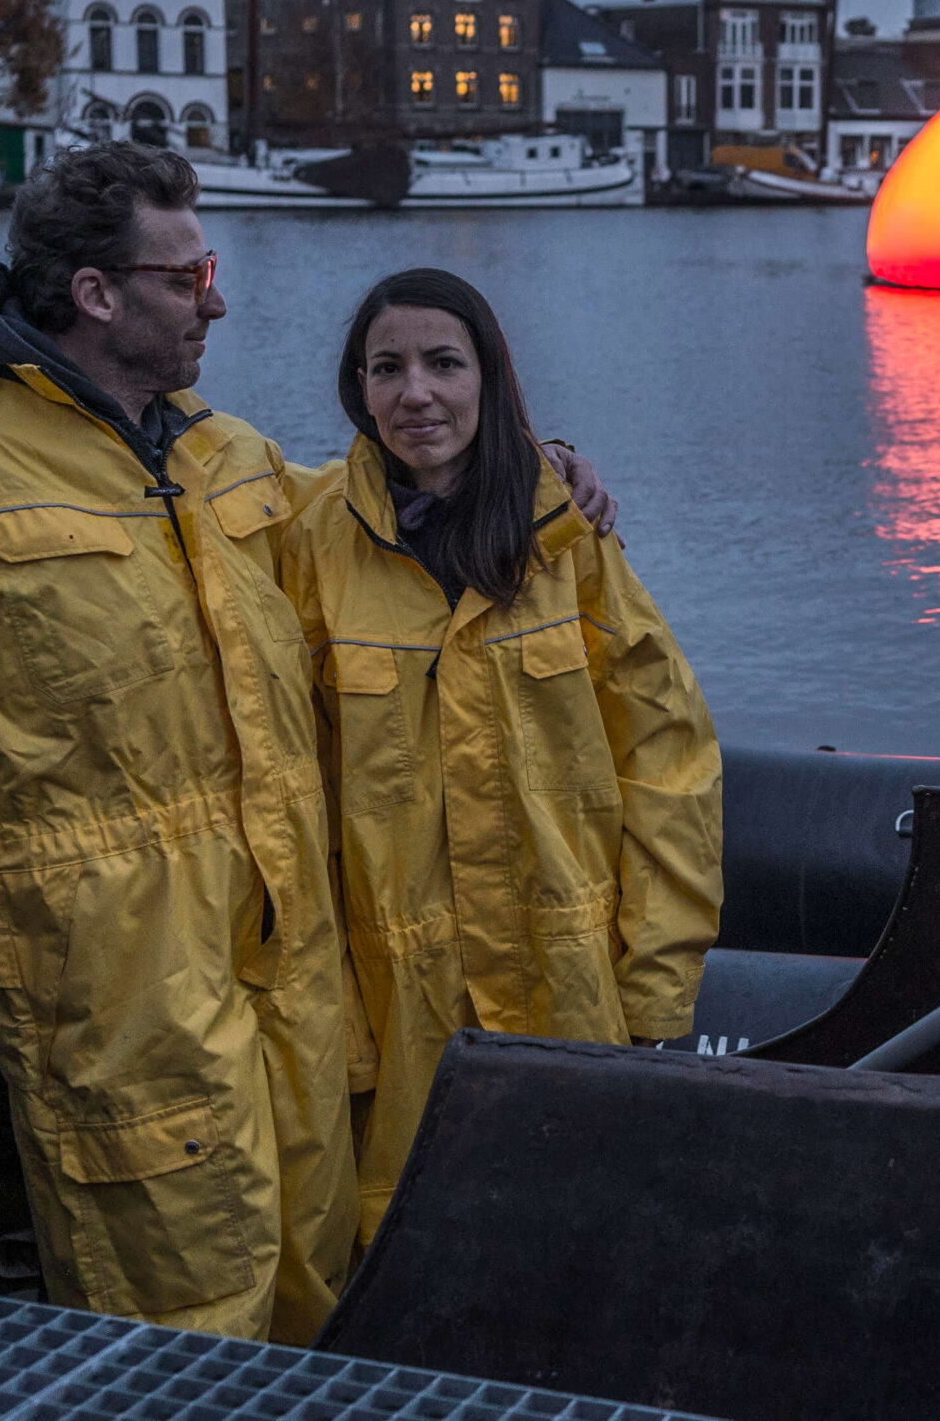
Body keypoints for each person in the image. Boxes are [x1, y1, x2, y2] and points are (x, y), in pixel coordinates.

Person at [0, 144, 612, 1341]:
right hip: (114, 986)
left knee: (320, 1281)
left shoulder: (226, 455)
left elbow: (379, 512)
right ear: (97, 293)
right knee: (178, 1319)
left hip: (292, 961)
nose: (215, 300)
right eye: (191, 276)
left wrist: (537, 465)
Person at [279, 267, 723, 1244]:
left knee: (576, 1229)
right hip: (396, 998)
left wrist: (654, 983)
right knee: (407, 1237)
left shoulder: (567, 537)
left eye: (444, 363)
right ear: (358, 387)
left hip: (566, 982)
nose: (416, 392)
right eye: (386, 368)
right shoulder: (307, 538)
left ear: (490, 378)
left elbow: (666, 757)